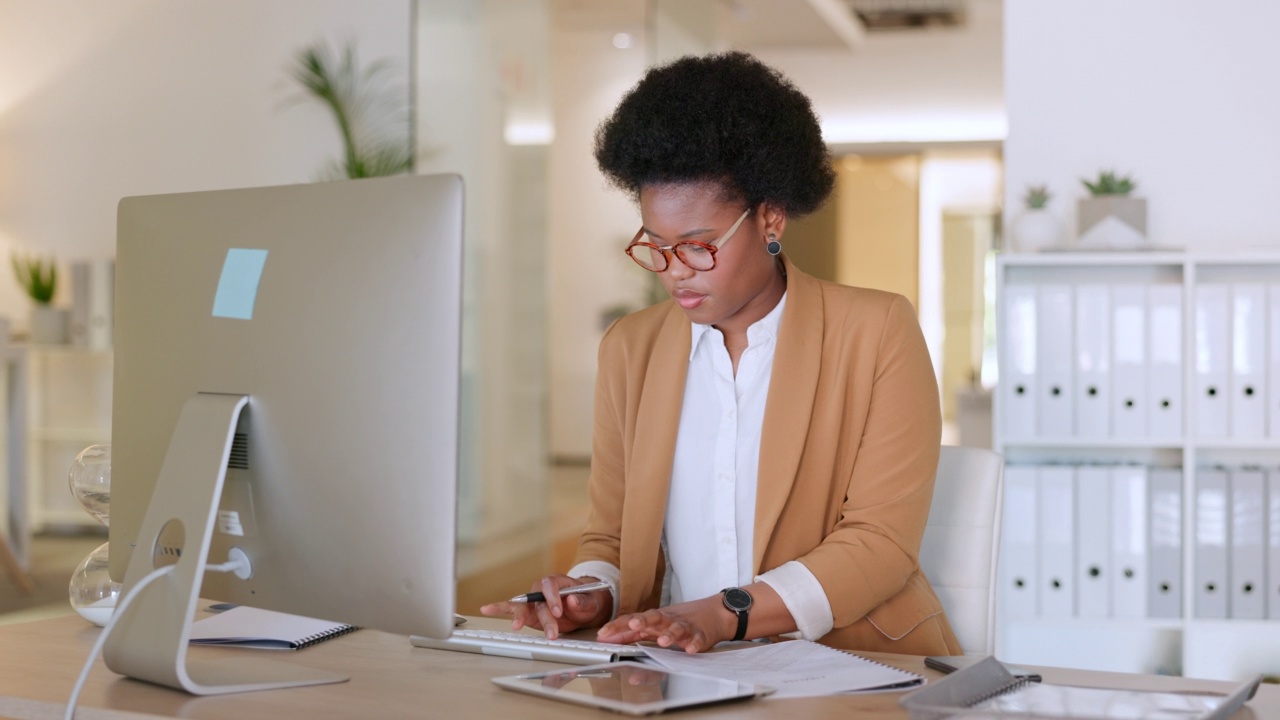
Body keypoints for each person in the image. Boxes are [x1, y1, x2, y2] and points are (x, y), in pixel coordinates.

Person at [482, 51, 960, 656]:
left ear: (771, 218)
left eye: (699, 246)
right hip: (681, 664)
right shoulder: (630, 349)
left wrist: (719, 613)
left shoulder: (876, 330)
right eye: (656, 246)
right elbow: (608, 535)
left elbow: (880, 544)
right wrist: (593, 591)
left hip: (853, 661)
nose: (675, 272)